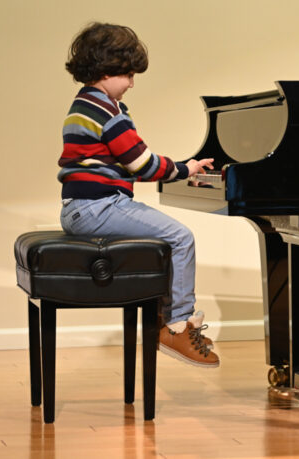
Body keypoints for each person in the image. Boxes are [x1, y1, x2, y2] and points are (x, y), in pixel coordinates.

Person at [57, 22, 219, 368]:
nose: (131, 83)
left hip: (80, 208)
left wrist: (177, 171)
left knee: (164, 240)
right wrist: (185, 169)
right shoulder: (107, 110)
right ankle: (178, 326)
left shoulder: (84, 104)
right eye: (128, 75)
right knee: (180, 237)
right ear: (106, 70)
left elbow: (129, 165)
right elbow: (141, 163)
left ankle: (164, 320)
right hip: (99, 207)